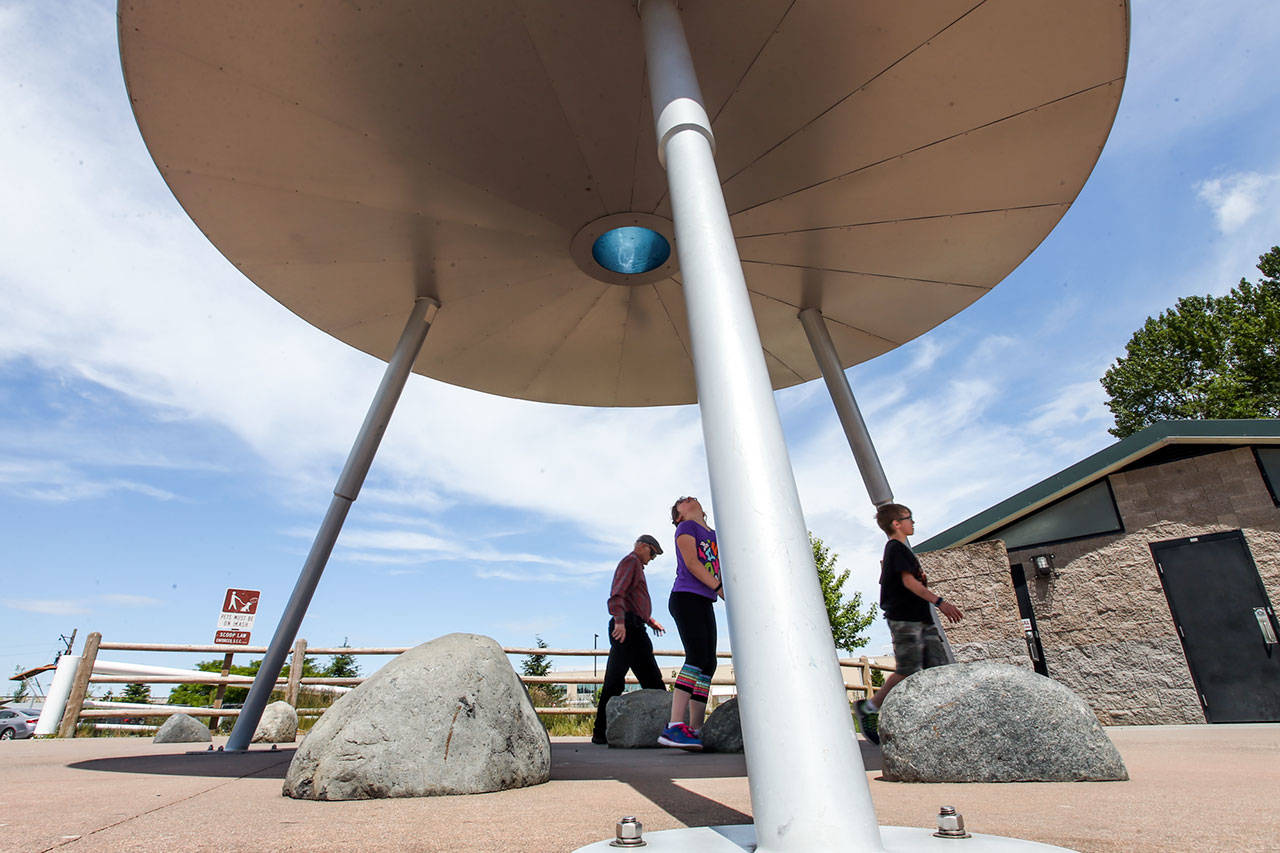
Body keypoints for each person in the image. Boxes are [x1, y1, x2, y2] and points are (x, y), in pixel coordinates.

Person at [855, 503, 962, 745]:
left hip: (920, 619)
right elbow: (909, 583)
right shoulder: (895, 549)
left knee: (939, 668)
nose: (913, 522)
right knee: (908, 668)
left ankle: (942, 719)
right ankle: (869, 707)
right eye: (908, 518)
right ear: (896, 524)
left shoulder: (901, 550)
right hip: (906, 621)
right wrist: (940, 602)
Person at [658, 496, 723, 750]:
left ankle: (695, 729)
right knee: (696, 657)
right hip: (686, 597)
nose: (688, 498)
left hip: (705, 600)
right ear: (679, 516)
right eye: (681, 502)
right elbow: (693, 563)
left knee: (709, 663)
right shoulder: (686, 529)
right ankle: (674, 726)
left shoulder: (715, 534)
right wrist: (720, 588)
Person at [592, 534, 668, 745]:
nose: (652, 558)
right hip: (628, 627)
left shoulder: (635, 565)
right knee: (647, 679)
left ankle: (601, 732)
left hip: (634, 625)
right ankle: (668, 730)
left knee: (621, 680)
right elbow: (618, 593)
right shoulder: (631, 562)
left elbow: (633, 599)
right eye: (652, 553)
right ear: (643, 547)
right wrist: (619, 621)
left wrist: (650, 621)